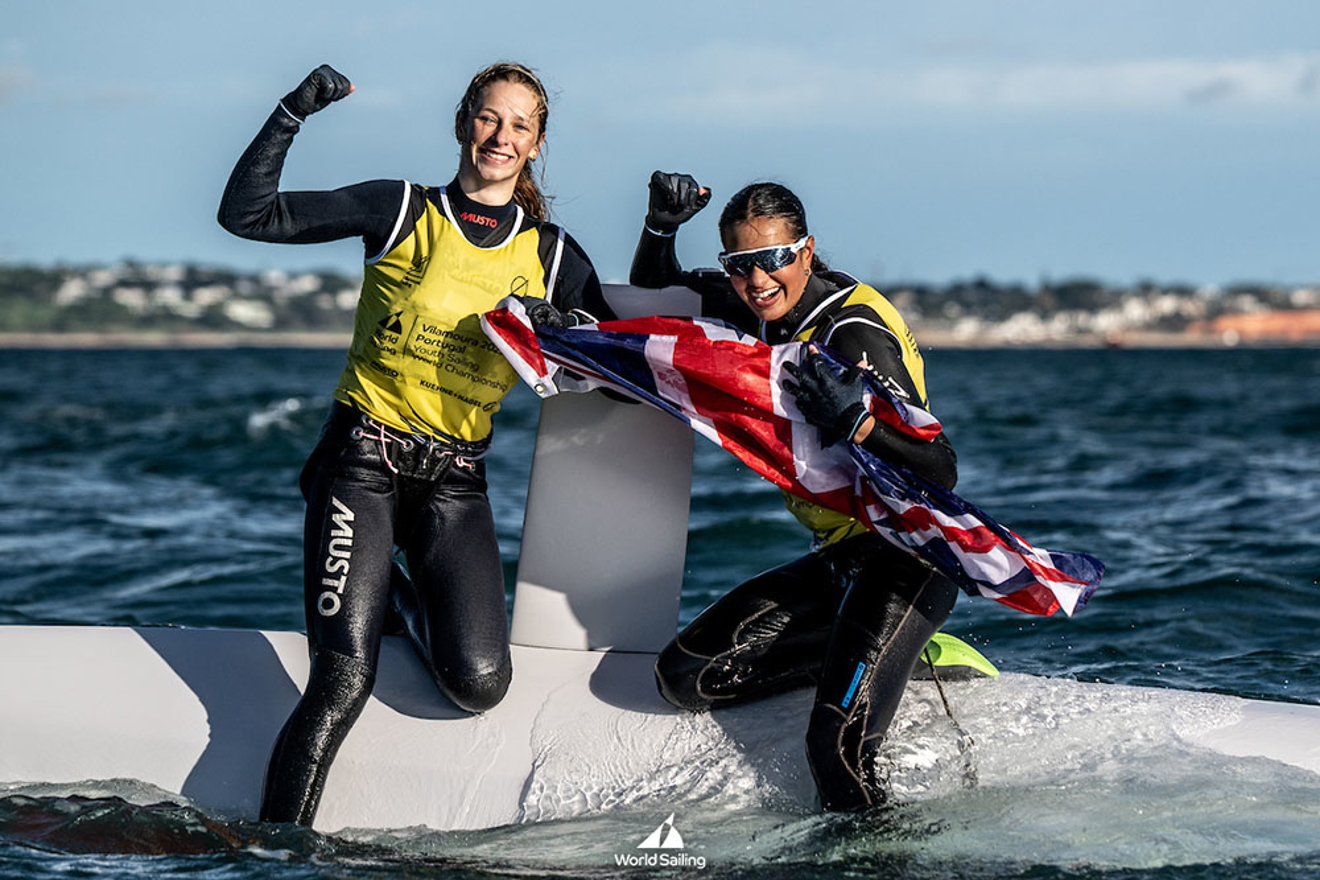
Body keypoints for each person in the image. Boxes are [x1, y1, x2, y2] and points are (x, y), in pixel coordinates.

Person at [217, 63, 611, 826]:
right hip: (360, 462)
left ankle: (382, 588)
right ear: (465, 121)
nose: (501, 137)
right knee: (344, 680)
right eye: (489, 119)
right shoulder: (401, 209)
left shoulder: (555, 258)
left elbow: (620, 364)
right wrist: (292, 111)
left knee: (480, 682)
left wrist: (573, 330)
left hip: (456, 482)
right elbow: (248, 215)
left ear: (536, 146)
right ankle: (275, 854)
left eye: (519, 126)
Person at [630, 172, 960, 811]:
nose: (757, 281)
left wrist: (858, 422)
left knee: (834, 751)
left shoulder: (851, 335)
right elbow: (656, 293)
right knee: (685, 676)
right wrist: (659, 229)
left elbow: (940, 471)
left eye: (774, 259)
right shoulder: (765, 308)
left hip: (906, 558)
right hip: (838, 560)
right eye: (740, 265)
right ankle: (867, 655)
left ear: (805, 251)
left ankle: (882, 859)